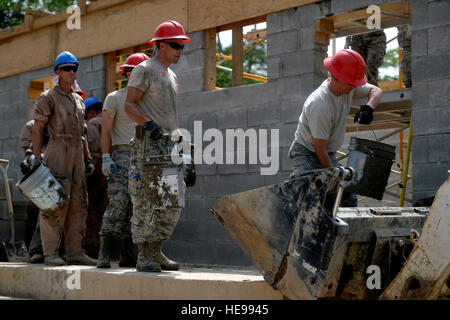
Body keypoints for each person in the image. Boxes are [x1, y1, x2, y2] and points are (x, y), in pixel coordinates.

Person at [124, 20, 190, 272]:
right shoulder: (145, 69)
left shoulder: (171, 74)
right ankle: (143, 255)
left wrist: (185, 152)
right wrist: (148, 123)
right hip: (149, 145)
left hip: (171, 147)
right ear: (161, 45)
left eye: (182, 46)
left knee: (172, 202)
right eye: (175, 45)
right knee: (147, 200)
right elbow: (129, 104)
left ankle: (156, 250)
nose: (180, 51)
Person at [289, 49, 383, 207]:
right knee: (310, 198)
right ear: (336, 77)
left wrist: (369, 108)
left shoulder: (348, 88)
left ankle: (346, 231)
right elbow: (320, 151)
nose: (354, 87)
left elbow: (376, 90)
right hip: (306, 154)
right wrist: (338, 178)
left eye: (355, 83)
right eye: (350, 83)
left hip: (326, 153)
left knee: (348, 199)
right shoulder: (319, 105)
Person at [31, 51, 96, 266]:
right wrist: (37, 157)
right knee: (53, 203)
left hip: (77, 151)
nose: (71, 72)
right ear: (58, 72)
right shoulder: (48, 97)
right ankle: (50, 253)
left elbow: (83, 133)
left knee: (79, 203)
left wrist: (87, 158)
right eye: (67, 68)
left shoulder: (78, 100)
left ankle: (75, 252)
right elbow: (38, 128)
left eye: (74, 68)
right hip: (57, 149)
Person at [97, 52, 150, 268]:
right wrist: (106, 157)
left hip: (142, 157)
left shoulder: (147, 102)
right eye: (133, 72)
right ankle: (103, 254)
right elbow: (106, 130)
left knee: (136, 207)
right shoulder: (115, 98)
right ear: (127, 74)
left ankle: (128, 255)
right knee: (117, 204)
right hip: (121, 156)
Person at [19, 120, 49, 263]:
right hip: (40, 173)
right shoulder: (42, 127)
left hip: (56, 171)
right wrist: (26, 161)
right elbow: (31, 147)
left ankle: (45, 250)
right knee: (34, 213)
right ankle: (33, 251)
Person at [84, 97, 109, 258]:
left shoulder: (93, 123)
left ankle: (90, 247)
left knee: (88, 207)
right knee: (103, 209)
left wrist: (89, 168)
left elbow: (92, 146)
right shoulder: (109, 120)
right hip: (110, 167)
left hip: (97, 165)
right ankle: (103, 249)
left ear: (92, 112)